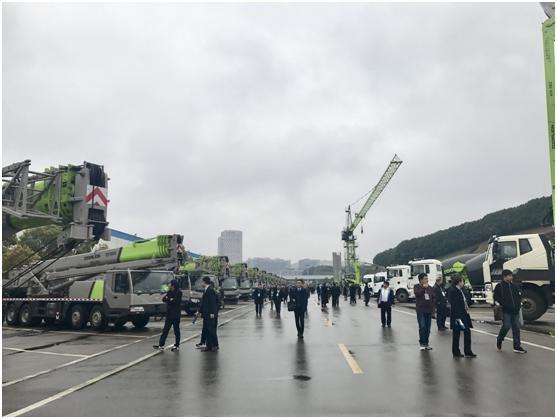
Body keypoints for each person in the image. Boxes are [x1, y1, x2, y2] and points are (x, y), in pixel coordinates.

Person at [494, 270, 527, 354]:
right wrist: (504, 304)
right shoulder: (499, 286)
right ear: (504, 277)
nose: (511, 277)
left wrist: (519, 304)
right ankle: (500, 338)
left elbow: (519, 296)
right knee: (506, 326)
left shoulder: (514, 286)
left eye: (511, 276)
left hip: (515, 310)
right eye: (509, 276)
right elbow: (496, 297)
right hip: (506, 311)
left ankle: (517, 346)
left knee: (516, 328)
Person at [448, 274, 476, 358]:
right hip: (458, 316)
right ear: (459, 282)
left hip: (464, 314)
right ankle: (463, 351)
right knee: (464, 332)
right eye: (462, 281)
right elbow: (455, 304)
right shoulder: (453, 290)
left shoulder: (461, 290)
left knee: (459, 333)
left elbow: (466, 300)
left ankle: (460, 351)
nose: (463, 283)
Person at [153, 279, 182, 351]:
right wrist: (169, 299)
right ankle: (161, 344)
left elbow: (175, 301)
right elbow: (164, 299)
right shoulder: (169, 292)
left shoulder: (179, 292)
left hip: (175, 315)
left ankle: (177, 345)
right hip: (169, 314)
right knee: (165, 330)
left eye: (170, 284)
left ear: (173, 285)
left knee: (176, 331)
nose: (169, 285)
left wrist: (169, 299)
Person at [414, 273, 436, 350]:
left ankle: (426, 344)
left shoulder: (430, 288)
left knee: (428, 328)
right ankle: (422, 344)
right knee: (422, 327)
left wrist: (433, 309)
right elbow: (417, 294)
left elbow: (433, 298)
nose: (427, 280)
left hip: (429, 310)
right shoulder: (417, 287)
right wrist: (423, 288)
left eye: (427, 278)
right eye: (425, 278)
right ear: (421, 280)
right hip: (421, 310)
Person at [199, 277, 219, 352]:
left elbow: (212, 303)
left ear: (205, 282)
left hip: (209, 314)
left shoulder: (210, 290)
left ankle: (215, 345)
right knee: (207, 330)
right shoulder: (206, 290)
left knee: (211, 330)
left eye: (202, 282)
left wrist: (212, 313)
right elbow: (204, 303)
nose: (201, 284)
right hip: (206, 314)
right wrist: (200, 311)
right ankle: (209, 346)